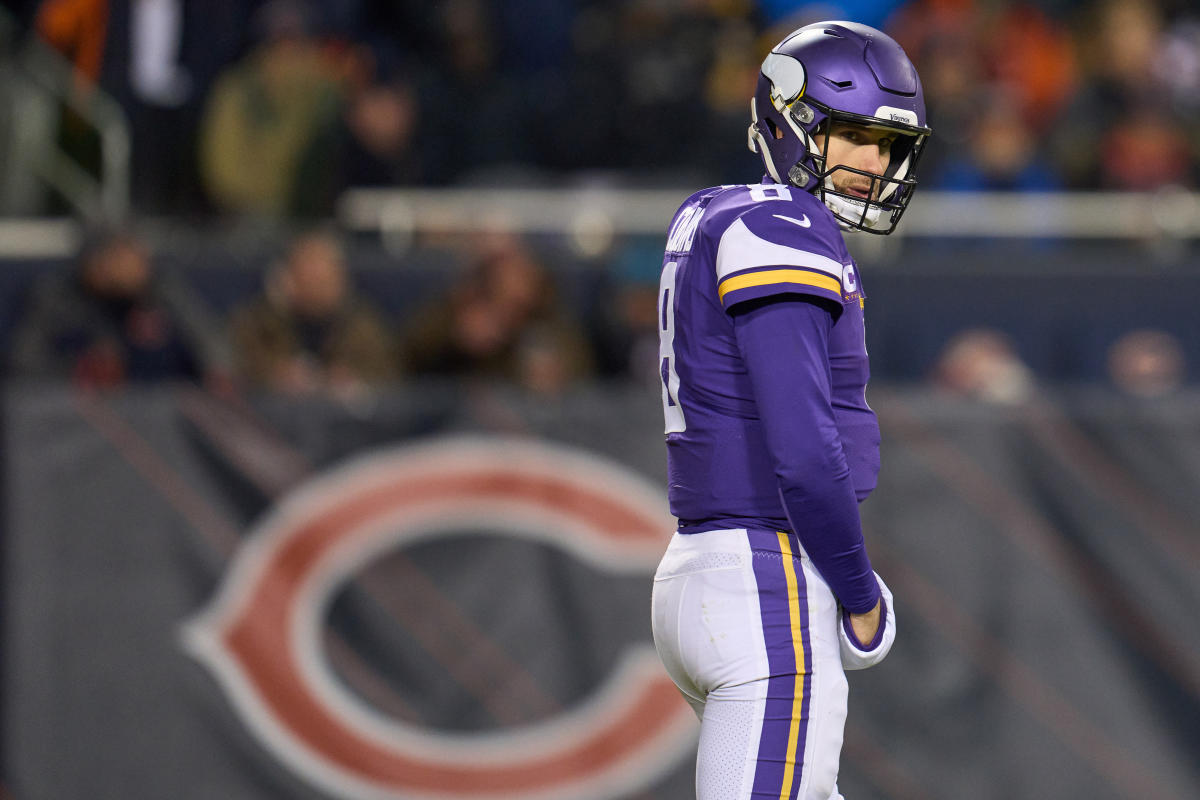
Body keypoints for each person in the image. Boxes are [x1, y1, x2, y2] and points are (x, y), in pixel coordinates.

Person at [649, 21, 931, 799]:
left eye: (885, 146)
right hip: (765, 578)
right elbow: (804, 453)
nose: (871, 165)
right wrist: (859, 590)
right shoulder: (785, 225)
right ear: (791, 119)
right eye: (852, 136)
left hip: (700, 572)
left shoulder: (710, 213)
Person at [9, 228, 230, 387]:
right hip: (70, 417)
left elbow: (212, 342)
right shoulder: (56, 294)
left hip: (152, 411)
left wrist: (218, 369)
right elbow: (21, 363)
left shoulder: (158, 289)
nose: (133, 266)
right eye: (119, 256)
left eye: (135, 255)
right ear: (94, 262)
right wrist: (78, 370)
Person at [229, 229, 396, 396]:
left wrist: (354, 381)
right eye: (307, 274)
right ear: (286, 278)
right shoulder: (258, 322)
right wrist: (275, 376)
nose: (316, 286)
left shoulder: (363, 327)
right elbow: (236, 370)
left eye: (323, 278)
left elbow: (389, 376)